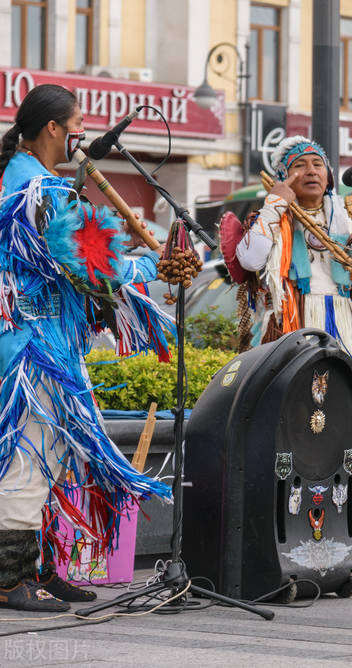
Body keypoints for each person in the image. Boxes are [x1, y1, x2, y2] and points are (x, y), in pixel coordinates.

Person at [0, 84, 173, 611]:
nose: (83, 132)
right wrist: (151, 265)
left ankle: (38, 569)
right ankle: (9, 579)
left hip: (43, 342)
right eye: (77, 122)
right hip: (34, 349)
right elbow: (92, 268)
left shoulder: (29, 182)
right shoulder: (37, 191)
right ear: (52, 128)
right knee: (28, 459)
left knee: (50, 456)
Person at [235, 135, 352, 499]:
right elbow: (249, 259)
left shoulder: (348, 215)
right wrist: (275, 204)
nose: (310, 171)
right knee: (294, 413)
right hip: (295, 326)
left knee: (341, 412)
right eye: (299, 166)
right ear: (283, 177)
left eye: (318, 164)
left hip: (342, 324)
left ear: (329, 175)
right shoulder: (273, 216)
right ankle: (291, 494)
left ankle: (344, 497)